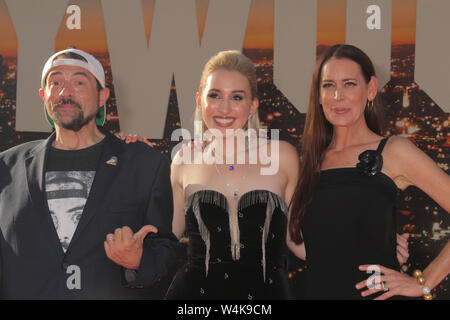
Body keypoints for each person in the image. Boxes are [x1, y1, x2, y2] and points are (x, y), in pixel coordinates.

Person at [0, 48, 178, 299]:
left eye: (79, 82)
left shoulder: (144, 164)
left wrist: (137, 261)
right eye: (56, 82)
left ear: (102, 96)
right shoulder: (7, 168)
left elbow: (166, 252)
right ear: (43, 95)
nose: (65, 92)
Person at [288, 44, 450, 299]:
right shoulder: (309, 162)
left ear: (371, 89)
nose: (338, 95)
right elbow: (305, 245)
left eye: (349, 84)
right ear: (318, 95)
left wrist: (424, 282)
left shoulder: (395, 151)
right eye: (328, 85)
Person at [164, 50, 299, 300]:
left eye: (237, 97)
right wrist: (130, 156)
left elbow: (301, 242)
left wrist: (383, 250)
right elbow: (163, 242)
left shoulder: (283, 157)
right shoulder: (184, 160)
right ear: (199, 101)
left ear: (253, 105)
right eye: (214, 95)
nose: (224, 108)